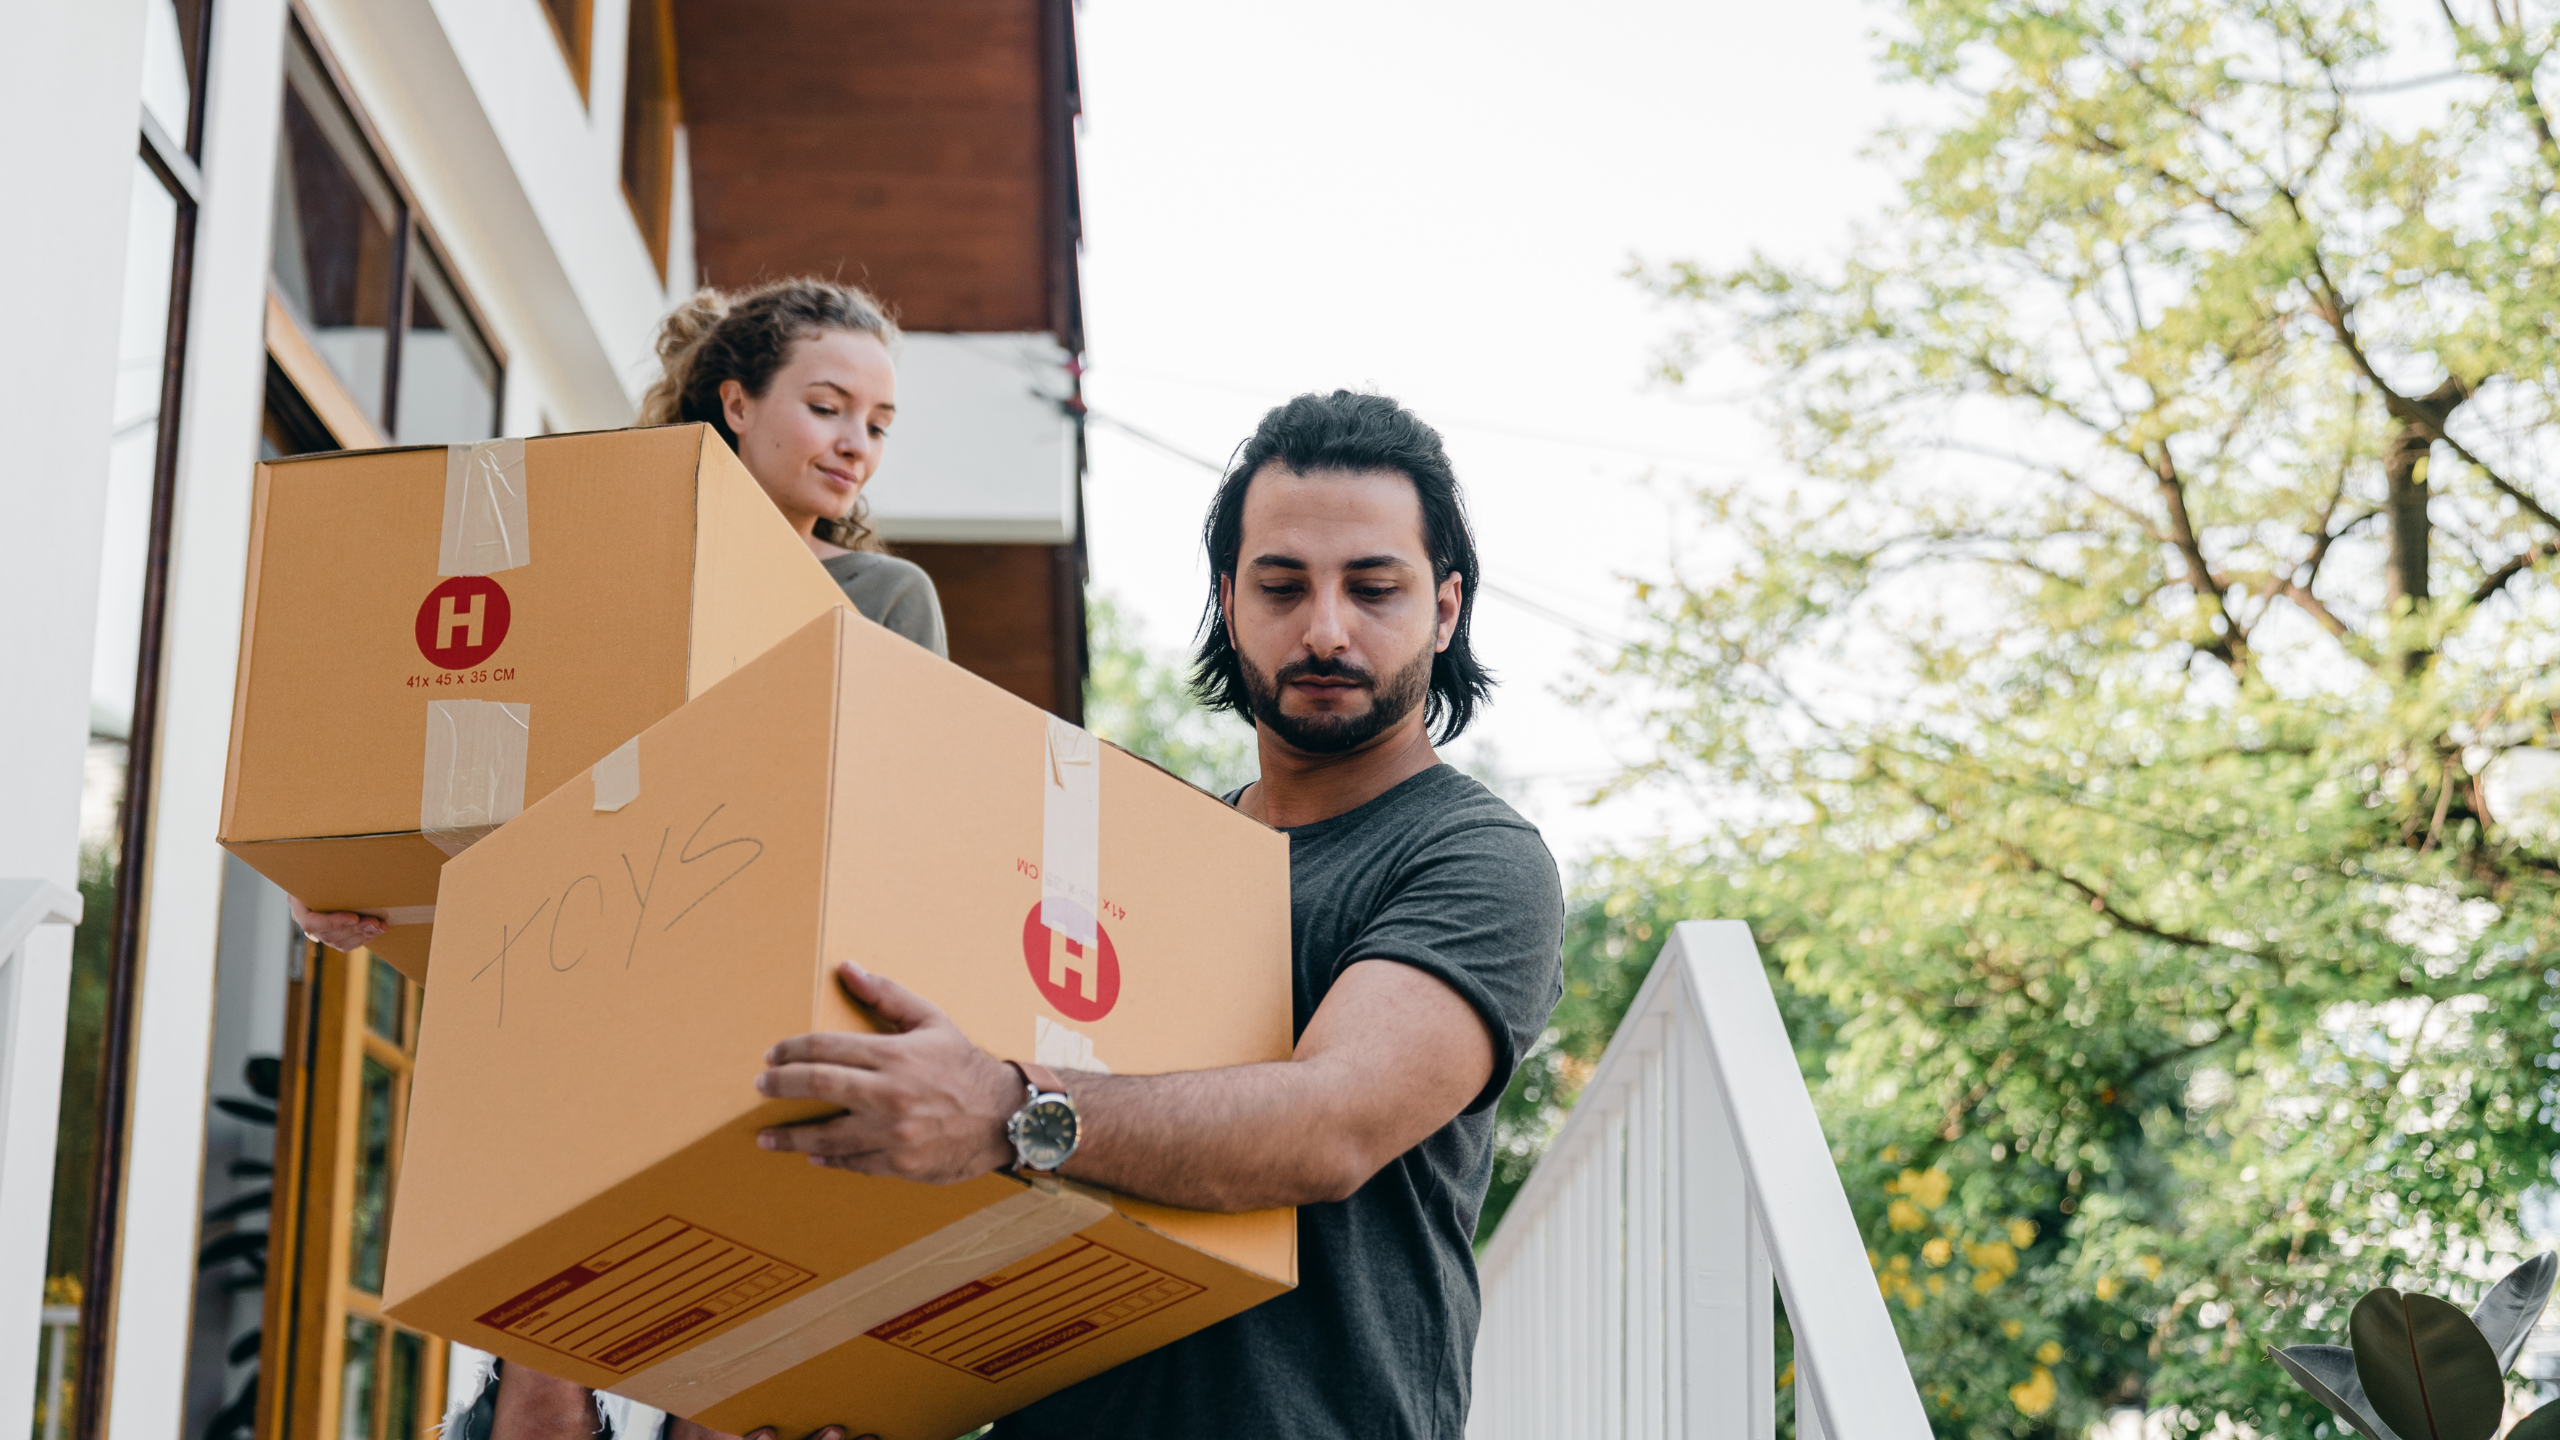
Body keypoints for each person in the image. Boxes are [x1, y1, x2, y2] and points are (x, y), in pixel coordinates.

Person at [754, 389, 1566, 1439]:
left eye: (1373, 588)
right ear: (1229, 603)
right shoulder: (1143, 856)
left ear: (1445, 609)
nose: (1324, 628)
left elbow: (1331, 1128)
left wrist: (1005, 1108)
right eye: (1281, 586)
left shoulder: (1474, 857)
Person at [294, 278, 942, 955]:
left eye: (877, 426)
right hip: (573, 952)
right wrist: (336, 864)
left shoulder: (885, 600)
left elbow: (906, 832)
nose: (855, 445)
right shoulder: (602, 568)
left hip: (768, 958)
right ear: (738, 404)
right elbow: (466, 737)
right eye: (827, 408)